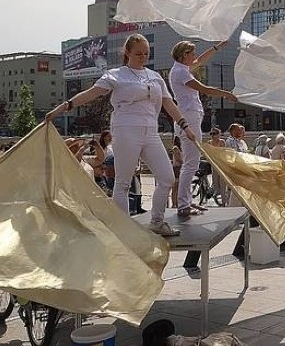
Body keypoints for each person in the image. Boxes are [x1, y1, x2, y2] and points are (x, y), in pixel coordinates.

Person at [46, 33, 196, 237]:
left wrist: (186, 126)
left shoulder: (155, 76)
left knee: (167, 178)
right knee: (123, 181)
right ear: (127, 53)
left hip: (151, 132)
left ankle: (157, 222)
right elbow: (93, 93)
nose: (143, 57)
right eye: (138, 54)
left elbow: (169, 104)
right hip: (126, 130)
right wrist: (65, 106)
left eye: (146, 53)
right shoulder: (116, 75)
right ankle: (124, 230)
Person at [169, 40, 236, 219]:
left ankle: (186, 201)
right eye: (191, 53)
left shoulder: (181, 69)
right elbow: (204, 89)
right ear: (184, 55)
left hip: (190, 117)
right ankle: (183, 205)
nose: (194, 57)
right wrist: (226, 94)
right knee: (190, 164)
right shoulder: (180, 72)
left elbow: (200, 60)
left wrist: (216, 47)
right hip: (188, 118)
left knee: (191, 163)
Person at [171, 135, 182, 208]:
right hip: (176, 168)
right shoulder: (175, 148)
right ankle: (174, 203)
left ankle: (177, 203)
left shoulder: (181, 149)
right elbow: (177, 159)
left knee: (178, 188)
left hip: (180, 167)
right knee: (175, 187)